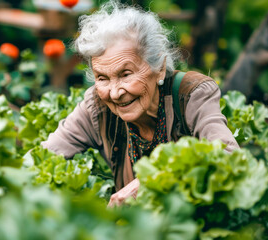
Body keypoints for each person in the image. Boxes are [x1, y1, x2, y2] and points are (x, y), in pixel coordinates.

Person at [41, 1, 239, 207]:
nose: (115, 93)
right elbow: (41, 160)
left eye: (126, 74)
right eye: (102, 78)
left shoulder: (192, 95)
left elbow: (228, 155)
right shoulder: (97, 107)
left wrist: (149, 182)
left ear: (160, 68)